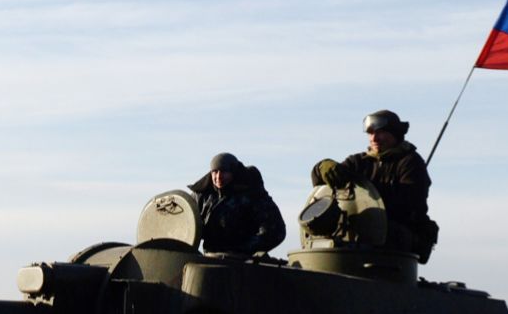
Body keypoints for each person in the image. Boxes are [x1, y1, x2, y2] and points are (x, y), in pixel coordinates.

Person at [310, 110, 438, 261]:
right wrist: (322, 167)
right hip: (354, 238)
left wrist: (367, 195)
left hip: (394, 241)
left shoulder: (410, 163)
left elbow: (408, 204)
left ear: (395, 134)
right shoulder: (358, 162)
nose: (374, 138)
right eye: (370, 133)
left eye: (380, 132)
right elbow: (324, 184)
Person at [188, 153, 285, 255]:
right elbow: (185, 222)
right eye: (215, 172)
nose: (218, 177)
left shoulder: (252, 194)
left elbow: (275, 231)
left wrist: (242, 250)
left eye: (224, 171)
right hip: (209, 258)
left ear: (233, 172)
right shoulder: (202, 196)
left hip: (241, 262)